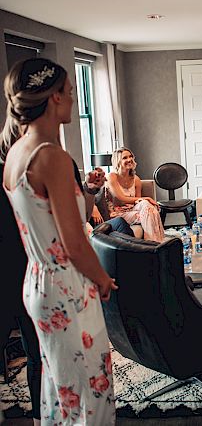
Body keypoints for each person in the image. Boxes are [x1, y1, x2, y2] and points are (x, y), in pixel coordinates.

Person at [1, 58, 117, 424]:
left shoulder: (16, 151)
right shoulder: (50, 156)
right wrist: (102, 278)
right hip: (66, 283)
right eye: (69, 91)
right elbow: (74, 242)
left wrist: (87, 193)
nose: (73, 98)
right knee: (91, 391)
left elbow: (52, 218)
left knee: (61, 388)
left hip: (38, 280)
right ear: (53, 98)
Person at [103, 147, 164, 242]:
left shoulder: (136, 179)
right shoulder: (111, 177)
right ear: (117, 161)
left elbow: (137, 201)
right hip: (118, 214)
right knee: (149, 209)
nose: (129, 159)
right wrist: (147, 198)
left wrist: (146, 201)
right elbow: (121, 198)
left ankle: (152, 244)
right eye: (125, 158)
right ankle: (156, 243)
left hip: (132, 210)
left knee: (148, 208)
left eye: (131, 156)